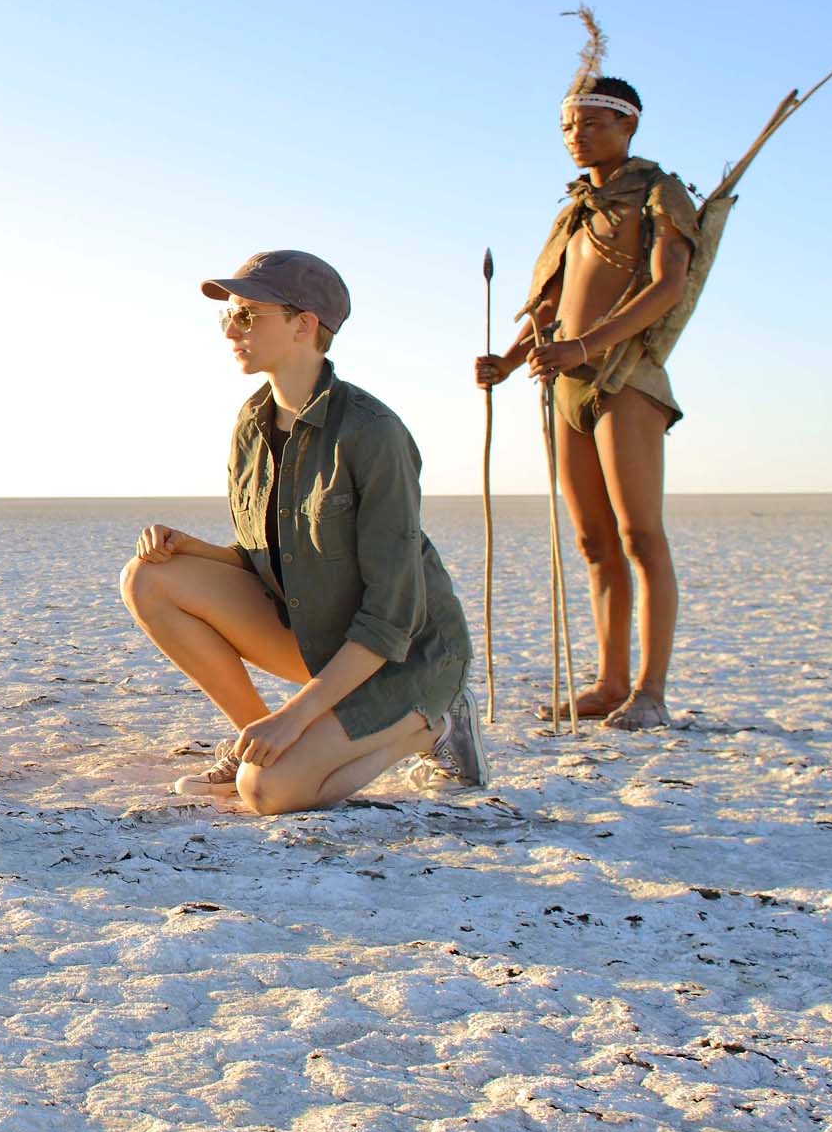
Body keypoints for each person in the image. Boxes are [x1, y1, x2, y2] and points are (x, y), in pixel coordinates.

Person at [121, 251, 484, 813]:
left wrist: (295, 714)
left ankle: (434, 727)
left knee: (269, 792)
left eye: (248, 315)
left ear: (304, 324)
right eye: (228, 317)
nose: (231, 331)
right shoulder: (252, 421)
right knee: (147, 577)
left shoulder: (373, 433)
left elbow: (393, 617)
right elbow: (275, 561)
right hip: (321, 635)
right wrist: (194, 551)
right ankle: (256, 742)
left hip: (404, 656)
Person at [476, 49, 701, 730]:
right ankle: (608, 684)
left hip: (625, 380)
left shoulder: (660, 192)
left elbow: (666, 287)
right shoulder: (575, 209)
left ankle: (651, 693)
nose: (578, 135)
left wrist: (585, 345)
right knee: (594, 543)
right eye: (570, 125)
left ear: (628, 125)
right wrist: (511, 361)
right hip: (563, 386)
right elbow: (549, 303)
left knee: (639, 536)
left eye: (593, 123)